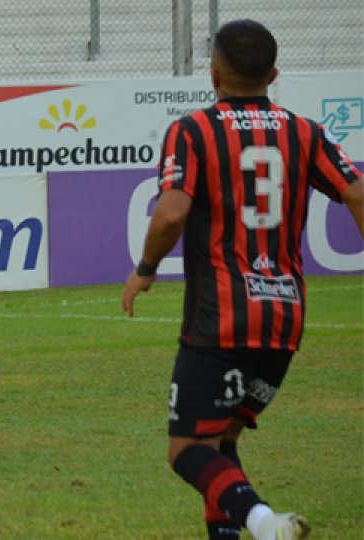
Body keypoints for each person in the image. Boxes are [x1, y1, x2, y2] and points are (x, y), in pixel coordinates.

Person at [122, 19, 364, 540]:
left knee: (186, 449)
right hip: (284, 318)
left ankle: (263, 523)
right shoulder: (306, 132)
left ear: (212, 73)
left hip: (221, 318)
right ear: (273, 74)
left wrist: (144, 270)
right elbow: (358, 193)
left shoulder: (193, 130)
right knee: (222, 441)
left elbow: (169, 214)